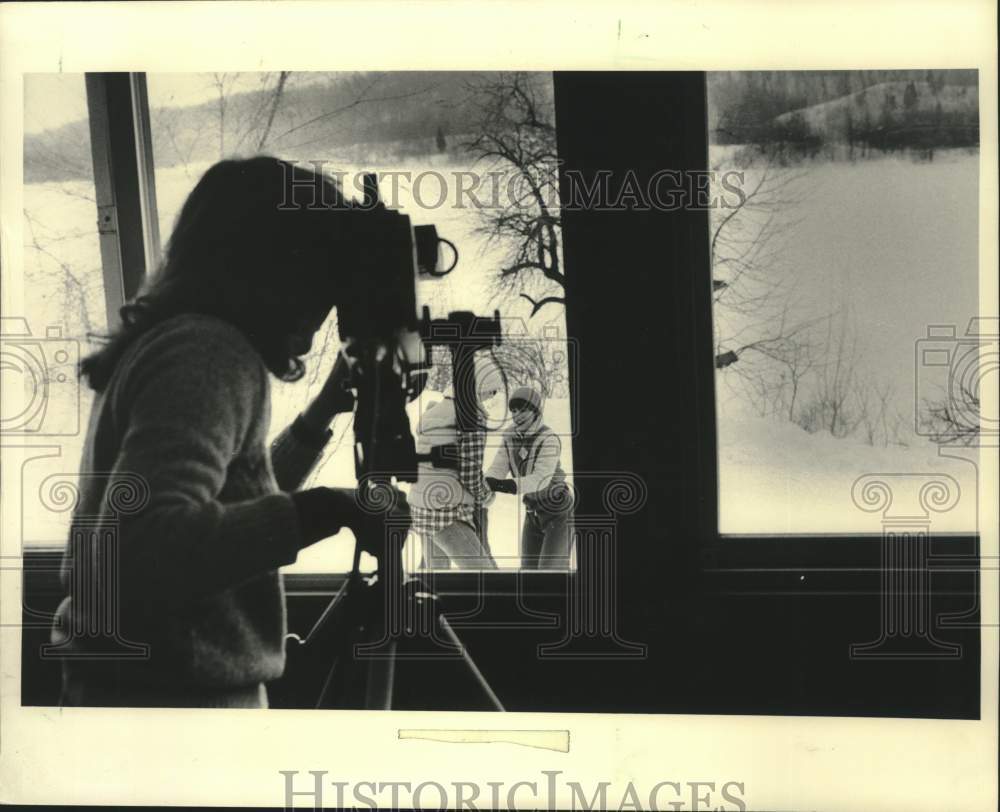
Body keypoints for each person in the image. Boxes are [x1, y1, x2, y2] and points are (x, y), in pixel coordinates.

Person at [50, 157, 389, 708]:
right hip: (171, 710)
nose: (326, 310)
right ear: (276, 269)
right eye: (321, 280)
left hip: (137, 697)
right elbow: (147, 544)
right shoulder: (208, 352)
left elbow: (222, 505)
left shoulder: (178, 340)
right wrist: (329, 510)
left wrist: (318, 416)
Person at [407, 358, 503, 569]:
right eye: (491, 391)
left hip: (421, 509)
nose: (491, 398)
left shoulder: (434, 411)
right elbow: (470, 473)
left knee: (438, 581)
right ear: (480, 388)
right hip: (446, 513)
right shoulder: (471, 418)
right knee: (484, 579)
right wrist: (487, 496)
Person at [486, 386, 574, 569]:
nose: (517, 415)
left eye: (523, 410)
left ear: (535, 411)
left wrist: (502, 486)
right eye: (514, 411)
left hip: (558, 511)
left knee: (551, 572)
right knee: (528, 572)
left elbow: (539, 479)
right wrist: (486, 483)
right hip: (532, 510)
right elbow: (497, 468)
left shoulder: (548, 439)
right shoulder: (509, 437)